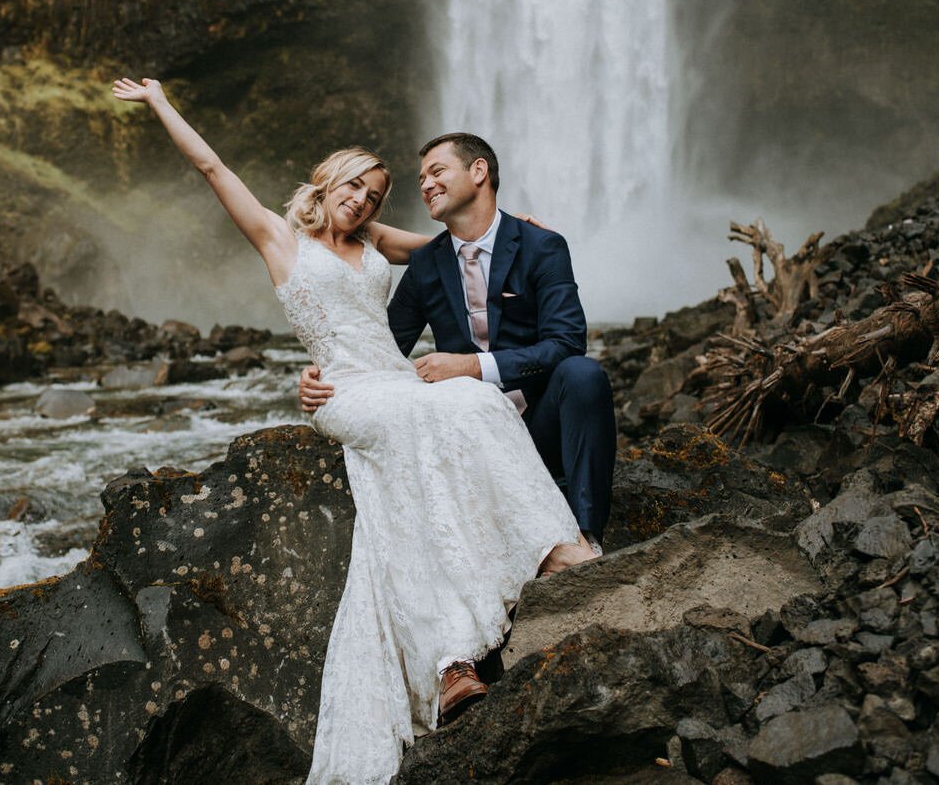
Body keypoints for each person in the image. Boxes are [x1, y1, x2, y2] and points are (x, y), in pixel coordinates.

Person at [111, 77, 596, 784]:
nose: (364, 200)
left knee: (474, 402)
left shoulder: (373, 239)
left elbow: (451, 240)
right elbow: (211, 168)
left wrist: (515, 225)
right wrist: (158, 101)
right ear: (329, 179)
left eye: (374, 194)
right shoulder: (279, 238)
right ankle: (462, 640)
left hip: (397, 382)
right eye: (356, 186)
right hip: (344, 389)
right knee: (438, 414)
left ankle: (545, 562)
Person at [300, 133, 618, 549]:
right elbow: (380, 346)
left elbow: (567, 342)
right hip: (466, 434)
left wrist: (471, 366)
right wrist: (322, 375)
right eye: (421, 180)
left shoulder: (542, 246)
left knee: (583, 373)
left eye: (437, 172)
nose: (426, 185)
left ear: (479, 171)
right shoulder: (427, 263)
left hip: (539, 423)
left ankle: (587, 538)